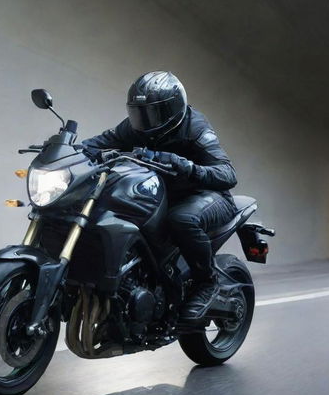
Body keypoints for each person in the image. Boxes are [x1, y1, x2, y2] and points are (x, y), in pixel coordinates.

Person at [82, 70, 238, 320]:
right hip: (163, 195)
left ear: (174, 109)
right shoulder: (136, 128)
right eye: (139, 113)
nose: (145, 120)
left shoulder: (194, 128)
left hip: (206, 195)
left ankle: (207, 283)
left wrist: (187, 167)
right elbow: (99, 143)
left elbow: (227, 174)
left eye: (153, 113)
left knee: (182, 219)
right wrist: (66, 150)